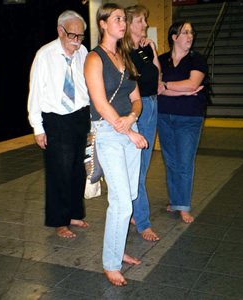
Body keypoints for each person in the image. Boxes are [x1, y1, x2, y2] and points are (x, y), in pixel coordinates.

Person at [84, 3, 148, 286]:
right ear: (103, 24)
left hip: (127, 128)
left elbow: (137, 97)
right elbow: (98, 103)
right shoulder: (94, 59)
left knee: (128, 196)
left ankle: (116, 250)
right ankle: (110, 263)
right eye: (118, 19)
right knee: (122, 201)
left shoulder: (124, 56)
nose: (123, 23)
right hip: (108, 132)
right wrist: (126, 129)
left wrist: (132, 118)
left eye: (124, 19)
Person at [27, 10, 90, 238]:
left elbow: (87, 85)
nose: (77, 41)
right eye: (72, 35)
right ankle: (59, 221)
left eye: (81, 36)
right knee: (58, 172)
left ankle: (74, 213)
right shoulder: (45, 55)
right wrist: (38, 127)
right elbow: (35, 93)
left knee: (77, 171)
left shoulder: (83, 52)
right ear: (60, 31)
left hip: (80, 116)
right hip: (56, 119)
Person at [157, 21, 207, 223]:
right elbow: (156, 88)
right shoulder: (162, 59)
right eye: (185, 32)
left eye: (191, 33)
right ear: (174, 37)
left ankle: (183, 206)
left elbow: (193, 83)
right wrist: (185, 90)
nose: (190, 36)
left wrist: (169, 85)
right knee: (170, 162)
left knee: (184, 162)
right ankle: (175, 200)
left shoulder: (197, 59)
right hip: (164, 116)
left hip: (189, 117)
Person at [123, 5, 160, 241]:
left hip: (153, 105)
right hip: (138, 108)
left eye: (144, 20)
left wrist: (154, 51)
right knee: (139, 169)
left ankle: (134, 213)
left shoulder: (145, 50)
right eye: (140, 21)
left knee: (140, 168)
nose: (145, 25)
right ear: (127, 25)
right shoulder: (122, 53)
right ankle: (143, 222)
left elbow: (158, 77)